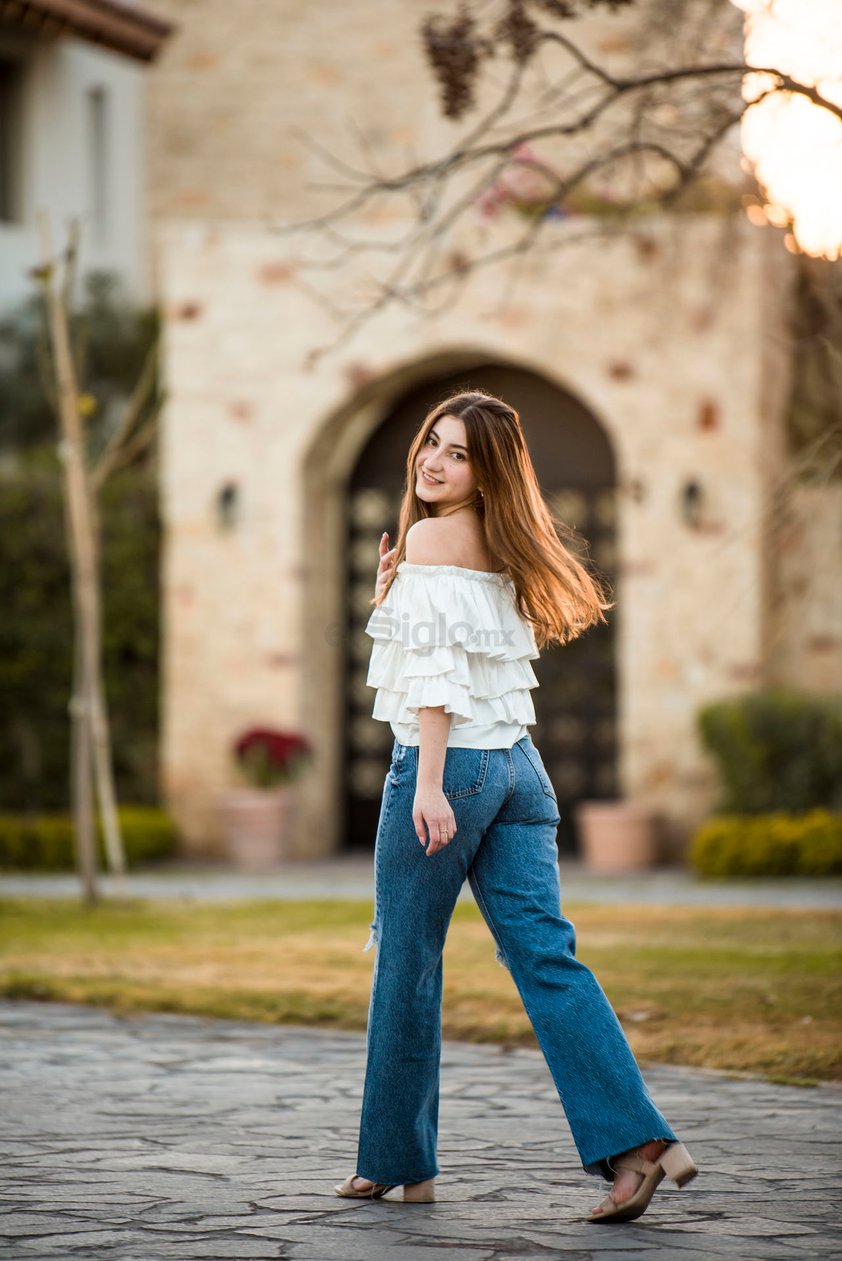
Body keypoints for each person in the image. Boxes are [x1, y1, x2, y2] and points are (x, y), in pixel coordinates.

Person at [334, 390, 697, 1223]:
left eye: (458, 452)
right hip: (519, 771)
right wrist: (389, 596)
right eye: (433, 441)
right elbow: (459, 653)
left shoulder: (432, 535)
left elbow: (432, 685)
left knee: (408, 961)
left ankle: (391, 1160)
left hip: (447, 771)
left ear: (487, 469)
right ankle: (638, 1143)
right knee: (546, 957)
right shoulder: (504, 544)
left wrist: (425, 784)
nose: (434, 459)